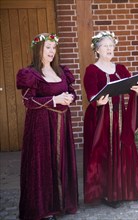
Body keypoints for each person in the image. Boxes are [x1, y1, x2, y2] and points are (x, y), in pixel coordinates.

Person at [16, 33, 78, 220]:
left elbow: (71, 91)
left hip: (62, 124)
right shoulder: (31, 74)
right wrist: (54, 99)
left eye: (53, 47)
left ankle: (63, 204)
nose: (51, 51)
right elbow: (28, 101)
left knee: (61, 161)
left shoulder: (61, 71)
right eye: (47, 47)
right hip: (41, 127)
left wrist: (70, 97)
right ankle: (44, 209)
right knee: (43, 164)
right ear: (38, 50)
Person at [83, 31, 138, 207]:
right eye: (105, 46)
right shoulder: (91, 70)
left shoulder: (120, 69)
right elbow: (91, 95)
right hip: (100, 120)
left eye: (111, 46)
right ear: (97, 50)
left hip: (119, 118)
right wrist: (98, 101)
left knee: (121, 149)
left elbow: (132, 85)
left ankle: (122, 189)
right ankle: (105, 192)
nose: (110, 49)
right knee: (104, 153)